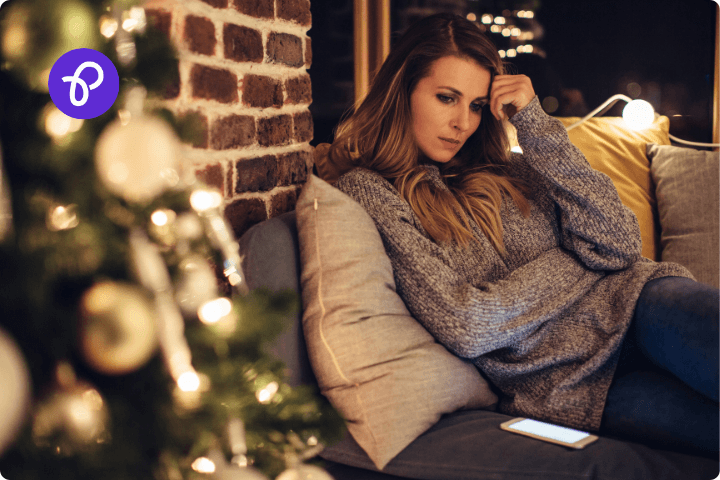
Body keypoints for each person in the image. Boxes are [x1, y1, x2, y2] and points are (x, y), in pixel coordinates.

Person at [326, 13, 719, 458]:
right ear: (403, 93)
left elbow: (619, 244)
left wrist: (535, 124)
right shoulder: (371, 191)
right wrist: (578, 260)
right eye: (446, 98)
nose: (462, 122)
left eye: (475, 105)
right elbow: (468, 325)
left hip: (638, 305)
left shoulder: (511, 167)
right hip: (567, 386)